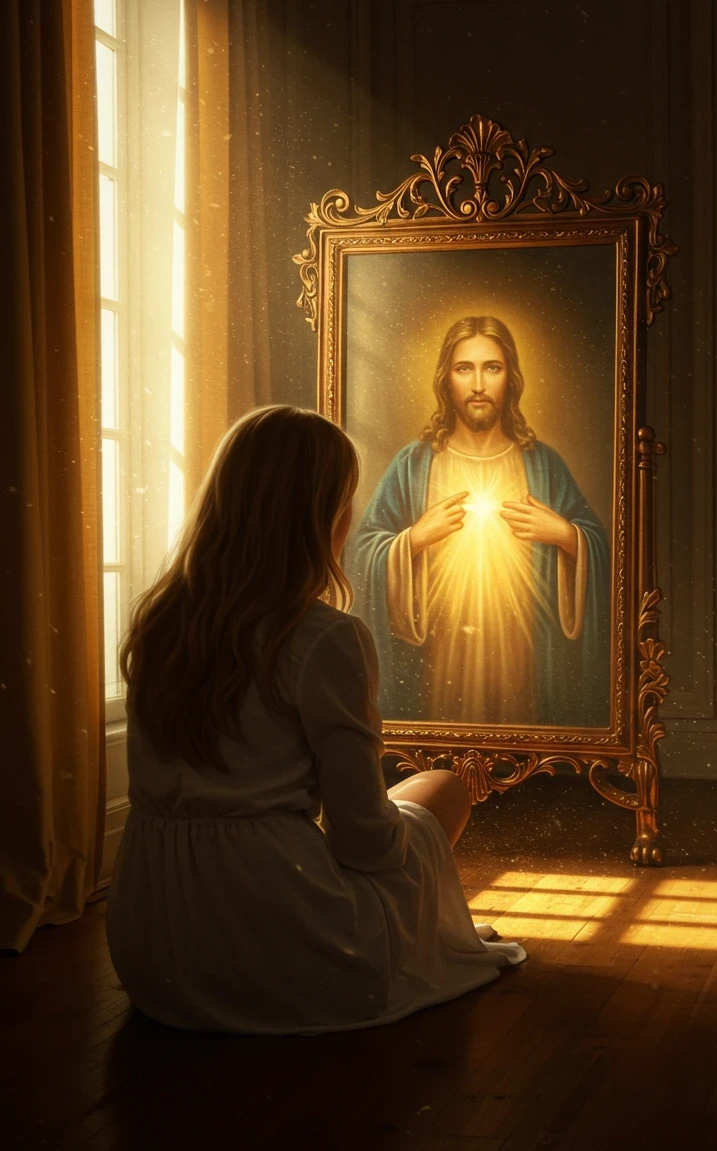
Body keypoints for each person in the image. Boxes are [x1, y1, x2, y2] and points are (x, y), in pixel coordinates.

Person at [105, 406, 526, 1036]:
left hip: (155, 946)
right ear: (322, 515)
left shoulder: (158, 622)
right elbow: (363, 839)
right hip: (284, 941)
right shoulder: (322, 637)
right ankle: (414, 926)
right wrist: (414, 876)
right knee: (442, 788)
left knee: (398, 813)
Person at [346, 315, 610, 727]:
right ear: (446, 379)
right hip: (439, 654)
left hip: (523, 652)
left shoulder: (543, 465)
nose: (479, 385)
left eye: (493, 368)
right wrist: (413, 540)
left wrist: (567, 536)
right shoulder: (413, 465)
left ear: (511, 378)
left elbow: (608, 555)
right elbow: (359, 556)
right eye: (464, 368)